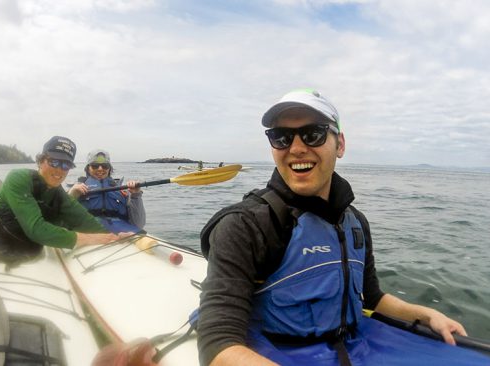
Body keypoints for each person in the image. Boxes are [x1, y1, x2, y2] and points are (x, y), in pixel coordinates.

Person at [197, 89, 484, 366]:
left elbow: (373, 297)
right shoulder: (245, 225)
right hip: (277, 352)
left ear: (340, 144)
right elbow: (218, 342)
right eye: (281, 138)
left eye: (313, 134)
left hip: (354, 346)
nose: (296, 148)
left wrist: (425, 314)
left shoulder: (355, 222)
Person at [0, 136, 125, 262]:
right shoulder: (18, 178)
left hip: (30, 242)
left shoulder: (57, 192)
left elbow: (83, 219)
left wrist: (113, 236)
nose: (60, 170)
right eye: (54, 162)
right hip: (2, 237)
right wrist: (89, 238)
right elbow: (36, 229)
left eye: (66, 165)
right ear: (41, 161)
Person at [68, 149, 145, 233]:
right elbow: (62, 220)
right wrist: (71, 196)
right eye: (95, 166)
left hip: (122, 233)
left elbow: (139, 224)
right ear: (88, 168)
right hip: (89, 232)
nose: (100, 169)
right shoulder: (76, 189)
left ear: (109, 168)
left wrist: (136, 195)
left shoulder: (123, 190)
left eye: (105, 166)